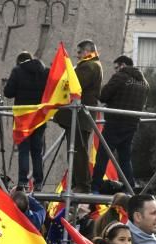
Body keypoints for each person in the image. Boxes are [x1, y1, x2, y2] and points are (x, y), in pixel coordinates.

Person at [92, 55, 149, 192]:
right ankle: (130, 186)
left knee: (103, 155)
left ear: (123, 65)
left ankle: (95, 186)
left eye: (116, 68)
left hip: (115, 122)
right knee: (125, 157)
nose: (115, 71)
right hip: (132, 124)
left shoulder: (120, 77)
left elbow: (103, 95)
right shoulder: (144, 83)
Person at [53, 40, 102, 193]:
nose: (77, 55)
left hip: (80, 117)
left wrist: (63, 73)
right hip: (80, 118)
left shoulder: (89, 66)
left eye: (80, 52)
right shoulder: (92, 65)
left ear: (87, 51)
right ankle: (78, 184)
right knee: (75, 151)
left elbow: (75, 83)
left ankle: (82, 185)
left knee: (78, 152)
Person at [3, 51, 49, 190]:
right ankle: (38, 182)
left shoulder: (18, 71)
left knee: (23, 149)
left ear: (19, 61)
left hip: (23, 116)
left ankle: (23, 181)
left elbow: (8, 92)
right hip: (39, 116)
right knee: (37, 150)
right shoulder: (45, 71)